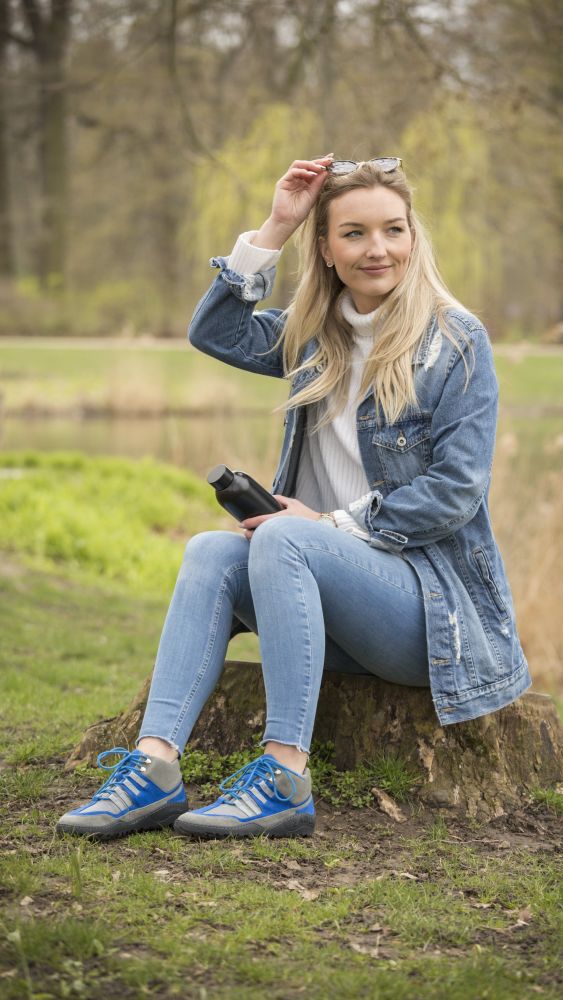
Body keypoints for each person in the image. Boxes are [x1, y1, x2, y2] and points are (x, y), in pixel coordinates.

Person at [57, 155, 531, 841]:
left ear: (413, 237)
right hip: (313, 598)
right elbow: (213, 332)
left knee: (280, 534)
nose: (378, 249)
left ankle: (283, 776)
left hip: (424, 619)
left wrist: (331, 525)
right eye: (355, 234)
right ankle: (154, 767)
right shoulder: (317, 333)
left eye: (393, 230)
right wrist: (277, 224)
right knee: (212, 551)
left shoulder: (454, 341)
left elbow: (454, 494)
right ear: (327, 250)